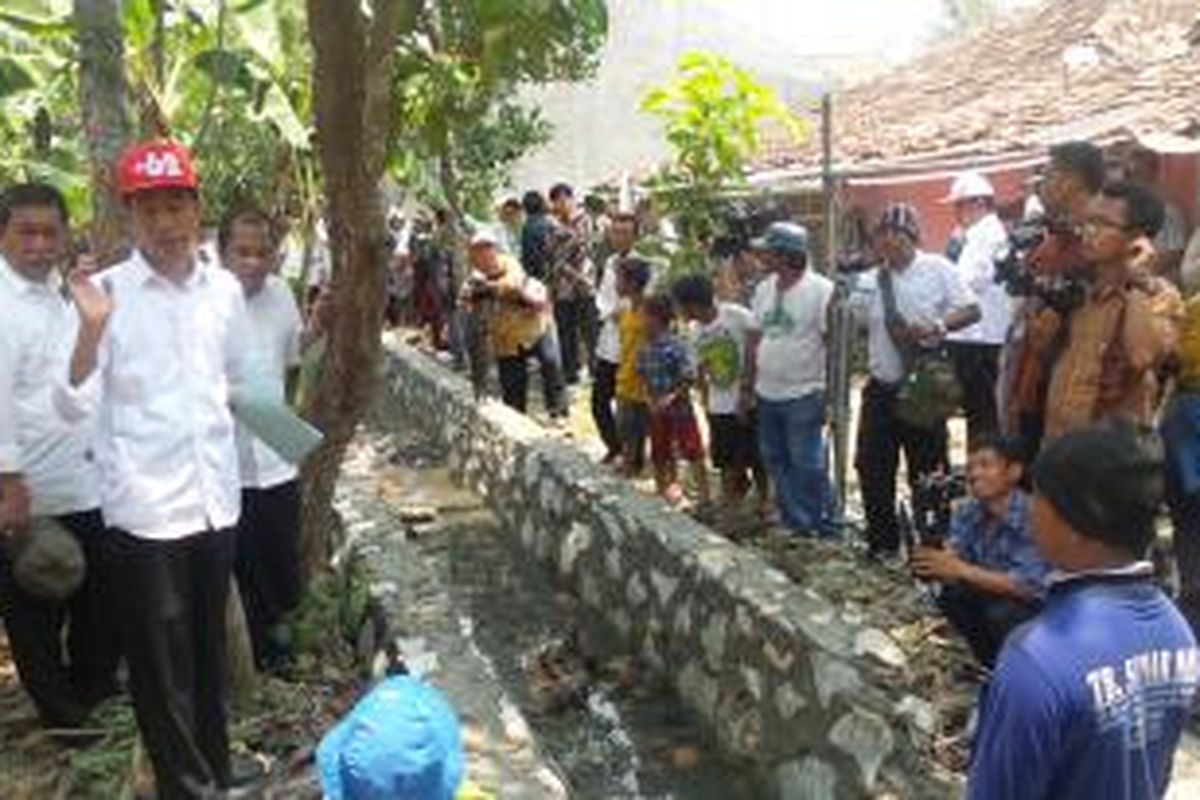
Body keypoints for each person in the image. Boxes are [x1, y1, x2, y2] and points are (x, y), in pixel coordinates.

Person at [59, 139, 249, 797]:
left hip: (216, 501)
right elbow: (67, 401)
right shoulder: (104, 297)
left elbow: (235, 381)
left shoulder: (224, 290)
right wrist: (88, 331)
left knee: (206, 660)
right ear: (130, 218)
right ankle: (187, 790)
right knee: (159, 672)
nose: (166, 224)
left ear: (197, 209)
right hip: (145, 513)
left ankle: (215, 778)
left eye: (176, 206)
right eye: (150, 211)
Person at [966, 423, 1199, 800]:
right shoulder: (1178, 633)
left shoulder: (1036, 660)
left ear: (1075, 522)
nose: (1030, 511)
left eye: (1039, 498)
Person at [0, 183, 120, 728]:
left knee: (99, 599)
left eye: (51, 232)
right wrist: (8, 481)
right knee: (33, 607)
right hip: (27, 488)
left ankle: (92, 693)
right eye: (26, 231)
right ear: (4, 233)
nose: (39, 244)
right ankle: (62, 715)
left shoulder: (66, 291)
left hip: (87, 479)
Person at [855, 203, 980, 559]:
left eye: (896, 234)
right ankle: (883, 544)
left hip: (924, 382)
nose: (888, 242)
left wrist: (937, 326)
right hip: (881, 386)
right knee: (872, 466)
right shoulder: (871, 280)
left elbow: (972, 309)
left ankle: (933, 546)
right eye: (882, 235)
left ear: (912, 237)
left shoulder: (937, 268)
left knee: (928, 469)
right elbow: (856, 321)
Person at [219, 207, 305, 673]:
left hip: (274, 450)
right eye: (242, 252)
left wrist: (322, 330)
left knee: (278, 557)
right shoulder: (205, 300)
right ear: (223, 252)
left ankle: (277, 641)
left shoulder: (281, 294)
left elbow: (292, 359)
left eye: (263, 252)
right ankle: (253, 655)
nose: (253, 262)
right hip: (224, 461)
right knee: (240, 563)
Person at [1042, 182, 1182, 442]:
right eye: (1088, 221)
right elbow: (1042, 346)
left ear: (1138, 237)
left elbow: (1141, 356)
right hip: (1058, 445)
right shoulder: (1079, 290)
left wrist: (1135, 279)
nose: (1087, 232)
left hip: (1113, 459)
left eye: (1103, 224)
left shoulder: (1160, 295)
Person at [911, 436, 1050, 667]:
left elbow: (1029, 585)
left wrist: (958, 568)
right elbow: (957, 559)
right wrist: (937, 559)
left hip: (1040, 607)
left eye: (985, 465)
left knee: (1003, 615)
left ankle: (1025, 669)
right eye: (970, 468)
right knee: (950, 594)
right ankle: (990, 663)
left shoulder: (1035, 516)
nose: (974, 474)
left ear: (1013, 472)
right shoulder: (968, 510)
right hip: (994, 594)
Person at [1004, 141, 1105, 458]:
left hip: (1084, 397)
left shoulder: (1108, 244)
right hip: (1034, 384)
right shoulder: (1048, 241)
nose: (1040, 186)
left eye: (1047, 176)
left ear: (1070, 182)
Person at [743, 222, 835, 536]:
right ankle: (794, 519)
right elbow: (754, 338)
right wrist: (747, 387)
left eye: (767, 251)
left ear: (784, 255)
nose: (761, 257)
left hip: (804, 391)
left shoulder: (821, 290)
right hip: (767, 391)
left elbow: (832, 343)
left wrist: (831, 394)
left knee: (807, 463)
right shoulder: (764, 288)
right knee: (775, 458)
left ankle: (818, 522)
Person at [673, 272, 769, 518]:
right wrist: (705, 400)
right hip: (719, 404)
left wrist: (747, 391)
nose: (679, 310)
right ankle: (730, 502)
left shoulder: (735, 315)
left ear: (693, 304)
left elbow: (755, 343)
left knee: (755, 454)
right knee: (725, 457)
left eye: (681, 305)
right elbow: (700, 368)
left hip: (747, 400)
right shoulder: (694, 331)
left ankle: (765, 499)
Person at [459, 229, 566, 420]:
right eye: (478, 250)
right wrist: (471, 296)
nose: (484, 253)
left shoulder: (509, 263)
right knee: (512, 384)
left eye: (487, 248)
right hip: (505, 339)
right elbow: (464, 303)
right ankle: (516, 417)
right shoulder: (473, 278)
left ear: (495, 249)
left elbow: (514, 282)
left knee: (551, 365)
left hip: (534, 325)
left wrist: (489, 288)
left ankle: (559, 413)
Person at [943, 172, 1012, 448]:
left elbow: (967, 282)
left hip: (979, 338)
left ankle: (985, 470)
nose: (956, 213)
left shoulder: (985, 236)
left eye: (959, 206)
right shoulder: (980, 234)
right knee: (979, 412)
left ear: (978, 204)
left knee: (982, 414)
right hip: (977, 336)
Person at [636, 293, 711, 509]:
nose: (642, 321)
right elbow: (643, 375)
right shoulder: (644, 348)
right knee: (660, 450)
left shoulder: (676, 346)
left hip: (679, 408)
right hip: (656, 407)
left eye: (645, 316)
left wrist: (671, 396)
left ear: (657, 319)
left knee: (692, 449)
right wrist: (650, 398)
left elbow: (688, 376)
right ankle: (663, 489)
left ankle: (704, 496)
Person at [1162, 290, 1200, 636]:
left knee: (1188, 528)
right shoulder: (1191, 308)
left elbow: (1171, 359)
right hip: (1187, 422)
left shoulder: (1191, 308)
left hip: (1185, 419)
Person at [592, 213, 638, 463]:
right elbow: (603, 298)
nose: (619, 237)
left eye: (624, 232)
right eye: (615, 232)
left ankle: (631, 453)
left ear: (634, 236)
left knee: (628, 404)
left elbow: (635, 303)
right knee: (599, 400)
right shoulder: (610, 262)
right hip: (608, 341)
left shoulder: (641, 264)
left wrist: (618, 310)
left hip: (630, 344)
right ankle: (615, 446)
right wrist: (609, 312)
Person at [548, 182, 595, 385]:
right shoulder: (553, 225)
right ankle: (570, 372)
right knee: (566, 331)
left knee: (590, 330)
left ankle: (595, 370)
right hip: (563, 288)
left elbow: (585, 246)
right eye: (556, 202)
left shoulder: (584, 219)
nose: (560, 205)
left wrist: (564, 240)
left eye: (562, 200)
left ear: (570, 198)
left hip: (585, 284)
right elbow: (552, 255)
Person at [1124, 146, 1188, 282]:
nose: (1133, 179)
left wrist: (1139, 275)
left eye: (1138, 172)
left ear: (1154, 174)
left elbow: (1174, 253)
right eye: (1129, 173)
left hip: (1157, 285)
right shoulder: (1124, 210)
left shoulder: (1167, 212)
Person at [614, 257, 653, 476]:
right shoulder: (624, 309)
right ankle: (629, 464)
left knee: (641, 429)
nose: (616, 284)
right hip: (625, 377)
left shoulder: (649, 311)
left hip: (644, 382)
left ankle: (635, 466)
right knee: (625, 428)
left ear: (632, 283)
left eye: (620, 279)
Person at [519, 190, 555, 283]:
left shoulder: (528, 226)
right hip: (548, 274)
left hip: (536, 275)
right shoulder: (547, 224)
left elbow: (529, 255)